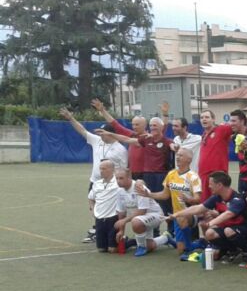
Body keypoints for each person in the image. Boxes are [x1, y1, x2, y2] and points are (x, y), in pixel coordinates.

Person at [60, 107, 129, 243]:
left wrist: (121, 184)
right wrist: (71, 118)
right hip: (96, 181)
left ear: (111, 134)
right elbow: (82, 130)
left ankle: (115, 232)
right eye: (100, 133)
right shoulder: (97, 141)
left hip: (112, 185)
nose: (100, 135)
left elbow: (124, 168)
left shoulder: (120, 149)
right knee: (95, 206)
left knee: (112, 209)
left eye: (103, 133)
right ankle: (98, 230)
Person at [167, 171, 247, 262]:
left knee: (228, 230)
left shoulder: (237, 199)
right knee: (210, 233)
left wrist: (210, 223)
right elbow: (199, 208)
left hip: (246, 230)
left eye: (211, 184)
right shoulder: (217, 197)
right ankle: (233, 251)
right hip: (227, 229)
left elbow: (228, 214)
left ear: (219, 185)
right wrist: (176, 214)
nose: (209, 186)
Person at [136, 147, 202, 259]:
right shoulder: (171, 174)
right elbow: (165, 195)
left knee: (182, 218)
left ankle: (189, 250)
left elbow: (198, 199)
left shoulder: (193, 177)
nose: (177, 157)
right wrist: (149, 195)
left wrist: (188, 199)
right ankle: (200, 243)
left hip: (193, 213)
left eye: (181, 155)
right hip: (177, 215)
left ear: (189, 160)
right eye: (177, 155)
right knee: (180, 250)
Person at [114, 168, 174, 257]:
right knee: (150, 246)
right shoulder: (119, 191)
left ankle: (141, 247)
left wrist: (124, 221)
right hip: (142, 219)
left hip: (155, 215)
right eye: (117, 178)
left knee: (136, 222)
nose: (118, 181)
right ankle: (166, 238)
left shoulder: (139, 187)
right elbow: (121, 213)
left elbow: (142, 211)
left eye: (121, 178)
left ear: (129, 177)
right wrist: (121, 231)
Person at [197, 109, 247, 201]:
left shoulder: (221, 129)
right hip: (204, 175)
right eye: (202, 117)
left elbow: (236, 124)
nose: (204, 119)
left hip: (217, 174)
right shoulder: (204, 135)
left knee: (219, 202)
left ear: (213, 119)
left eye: (207, 117)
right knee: (206, 202)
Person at [87, 159, 122, 253]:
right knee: (101, 249)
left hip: (113, 218)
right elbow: (90, 198)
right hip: (99, 218)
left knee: (112, 250)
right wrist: (93, 210)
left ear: (112, 170)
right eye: (100, 169)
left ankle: (129, 242)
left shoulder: (118, 182)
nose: (101, 171)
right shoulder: (96, 184)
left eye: (104, 169)